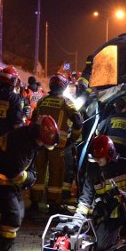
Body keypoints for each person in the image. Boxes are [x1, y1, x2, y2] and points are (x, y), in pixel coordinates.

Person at [0, 115, 60, 251]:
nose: (42, 145)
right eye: (42, 142)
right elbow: (15, 173)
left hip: (3, 178)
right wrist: (31, 178)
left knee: (19, 210)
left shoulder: (28, 138)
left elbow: (22, 166)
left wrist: (30, 175)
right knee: (13, 215)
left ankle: (5, 247)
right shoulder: (24, 143)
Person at [74, 135, 126, 251]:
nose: (97, 161)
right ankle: (119, 234)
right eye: (95, 159)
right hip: (109, 214)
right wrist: (77, 218)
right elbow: (86, 197)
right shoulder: (93, 170)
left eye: (100, 159)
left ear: (110, 155)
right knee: (100, 248)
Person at [30, 74, 83, 213]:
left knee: (38, 171)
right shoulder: (66, 102)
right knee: (56, 173)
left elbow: (33, 119)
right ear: (64, 86)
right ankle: (54, 204)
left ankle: (35, 203)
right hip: (57, 145)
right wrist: (73, 139)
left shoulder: (42, 101)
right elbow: (78, 121)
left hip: (40, 143)